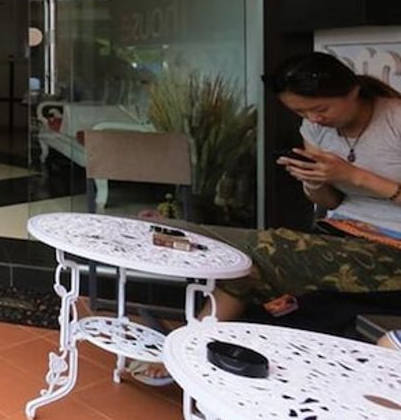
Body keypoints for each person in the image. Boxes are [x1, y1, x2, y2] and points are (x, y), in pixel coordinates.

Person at [129, 52, 401, 389]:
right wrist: (314, 182)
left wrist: (354, 176)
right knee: (243, 262)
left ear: (353, 90)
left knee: (264, 250)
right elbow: (330, 202)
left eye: (320, 109)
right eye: (301, 113)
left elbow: (355, 182)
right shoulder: (316, 130)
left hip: (391, 247)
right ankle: (202, 350)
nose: (314, 120)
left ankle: (189, 348)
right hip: (340, 235)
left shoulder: (395, 120)